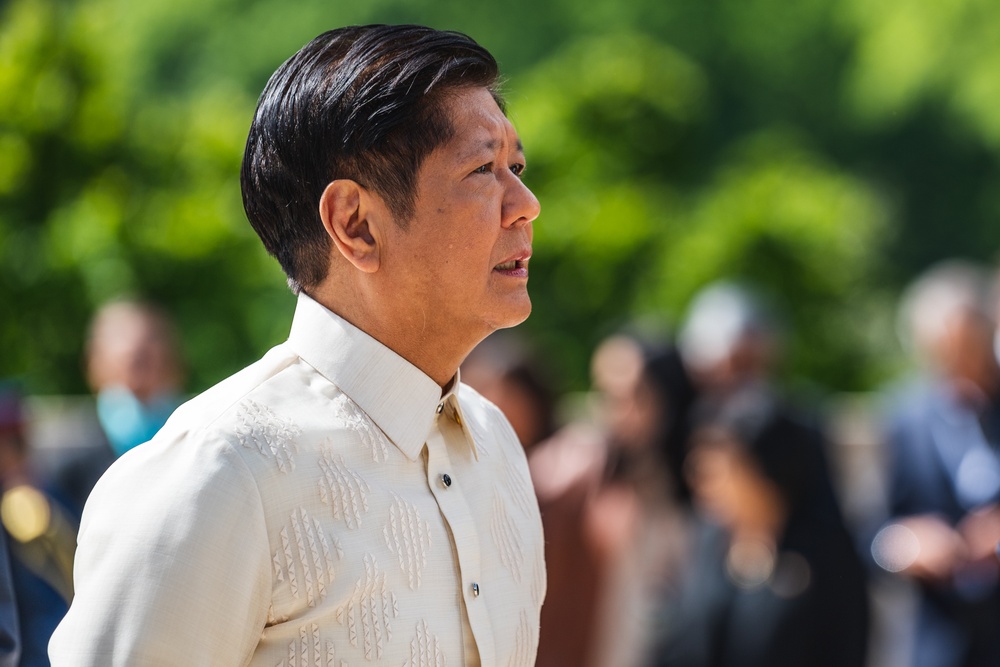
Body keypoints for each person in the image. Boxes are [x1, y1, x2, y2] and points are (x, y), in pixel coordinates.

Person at [49, 24, 545, 666]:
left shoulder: (497, 443)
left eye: (517, 167)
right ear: (355, 224)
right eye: (483, 169)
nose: (526, 204)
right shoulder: (219, 472)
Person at [655, 388, 870, 667]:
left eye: (717, 469)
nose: (701, 481)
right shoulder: (708, 540)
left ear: (767, 470)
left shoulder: (825, 554)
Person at [871, 260, 1000, 667]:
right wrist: (907, 544)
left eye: (969, 351)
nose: (959, 369)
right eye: (945, 357)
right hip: (942, 639)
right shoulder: (905, 418)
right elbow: (871, 531)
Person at [49, 299, 185, 520]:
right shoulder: (66, 454)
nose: (135, 346)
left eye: (152, 338)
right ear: (92, 362)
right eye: (119, 337)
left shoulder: (194, 437)